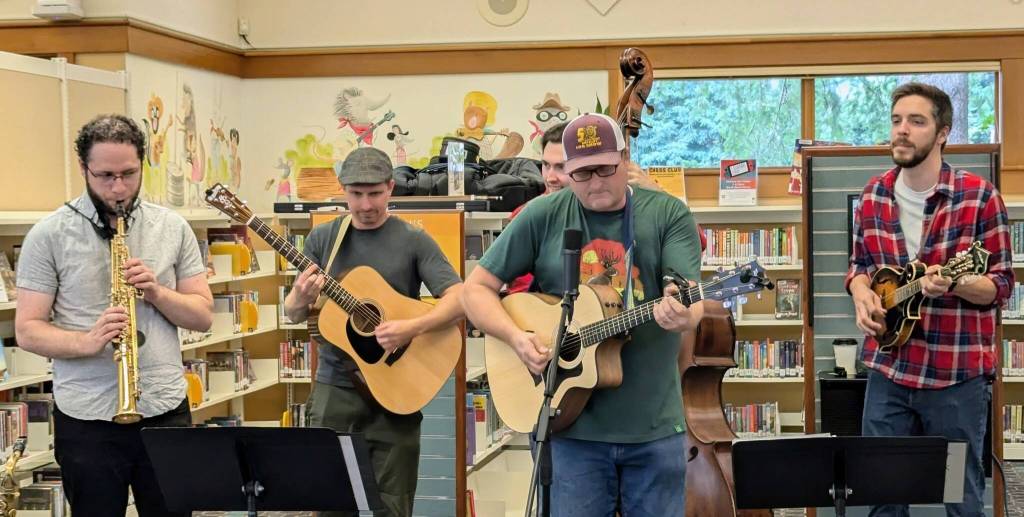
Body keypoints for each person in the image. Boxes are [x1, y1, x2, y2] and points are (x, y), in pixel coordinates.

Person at [461, 113, 704, 517]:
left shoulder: (667, 214)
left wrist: (684, 312)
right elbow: (475, 290)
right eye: (581, 173)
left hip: (654, 428)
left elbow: (691, 301)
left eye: (605, 169)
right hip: (568, 429)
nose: (594, 183)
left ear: (625, 159)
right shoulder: (543, 215)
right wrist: (517, 338)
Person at [14, 114, 214, 516]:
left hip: (164, 409)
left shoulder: (172, 227)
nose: (118, 187)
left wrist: (157, 292)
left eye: (128, 173)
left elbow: (203, 316)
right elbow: (28, 331)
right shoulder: (48, 234)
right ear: (83, 168)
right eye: (105, 175)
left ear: (143, 165)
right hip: (87, 417)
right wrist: (85, 341)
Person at [847, 82, 1014, 517]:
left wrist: (956, 284)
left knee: (959, 496)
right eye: (897, 120)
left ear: (942, 132)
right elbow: (858, 267)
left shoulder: (979, 197)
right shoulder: (872, 196)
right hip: (888, 374)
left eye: (916, 121)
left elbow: (1000, 285)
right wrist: (862, 293)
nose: (902, 131)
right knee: (881, 494)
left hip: (955, 380)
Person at [283, 147, 464, 517]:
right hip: (336, 389)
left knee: (393, 507)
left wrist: (410, 328)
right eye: (356, 194)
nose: (365, 205)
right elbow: (293, 313)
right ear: (343, 191)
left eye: (375, 194)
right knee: (329, 501)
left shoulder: (414, 240)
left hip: (397, 390)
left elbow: (460, 298)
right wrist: (299, 298)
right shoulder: (324, 240)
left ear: (391, 188)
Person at [506, 121, 571, 293]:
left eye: (561, 167)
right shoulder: (525, 214)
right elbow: (521, 294)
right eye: (546, 165)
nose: (550, 177)